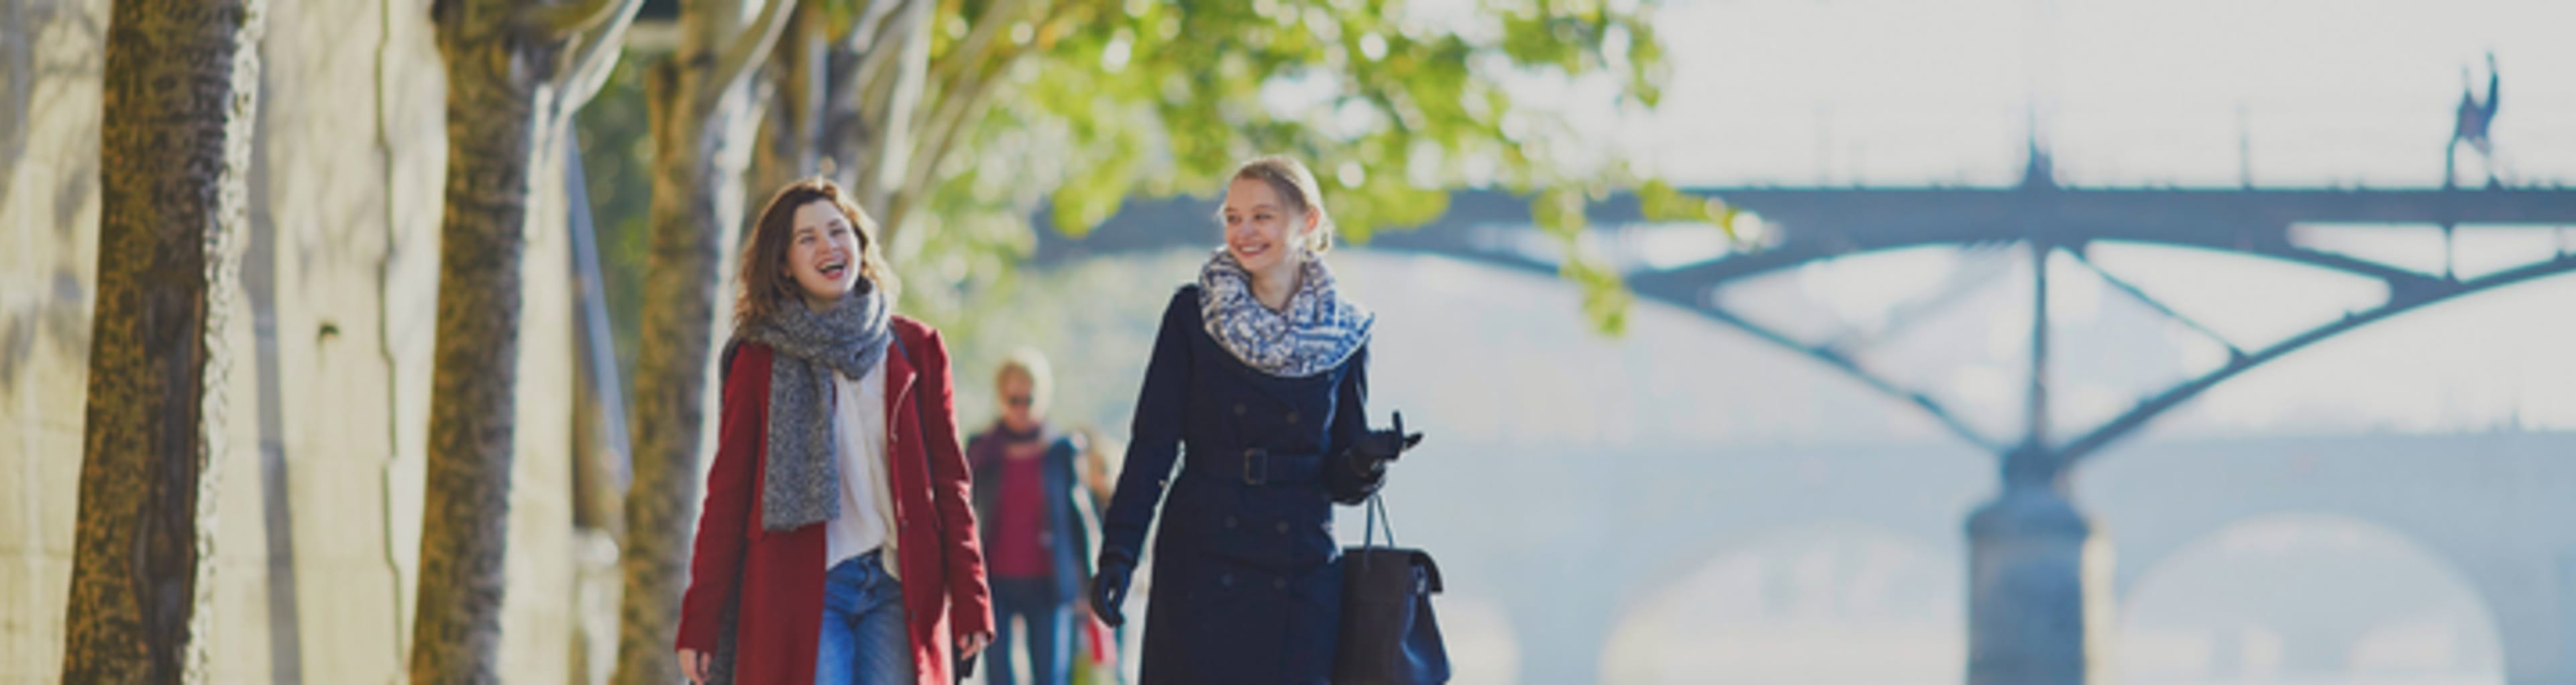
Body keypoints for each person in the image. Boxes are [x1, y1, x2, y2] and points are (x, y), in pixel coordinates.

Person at [1086, 156, 1422, 684]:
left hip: (1301, 568)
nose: (1243, 232)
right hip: (1202, 556)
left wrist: (1365, 461)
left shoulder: (1347, 333)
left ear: (1307, 222)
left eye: (1262, 216)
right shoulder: (1191, 313)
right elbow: (1153, 445)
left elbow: (1340, 479)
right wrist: (1119, 553)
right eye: (1233, 216)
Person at [674, 178, 994, 684]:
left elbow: (951, 484)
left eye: (838, 231)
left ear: (859, 245)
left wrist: (973, 598)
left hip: (899, 588)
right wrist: (700, 620)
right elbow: (728, 494)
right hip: (805, 591)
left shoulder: (916, 347)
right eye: (808, 238)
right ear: (784, 264)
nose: (828, 246)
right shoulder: (759, 359)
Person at [965, 350, 1093, 685]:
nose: (1022, 408)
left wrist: (1090, 584)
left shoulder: (1060, 450)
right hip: (994, 583)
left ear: (1044, 397)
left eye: (1029, 399)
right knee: (999, 677)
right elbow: (963, 514)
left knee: (1051, 676)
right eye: (1013, 399)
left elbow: (1078, 520)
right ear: (1000, 397)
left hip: (1048, 582)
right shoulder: (981, 450)